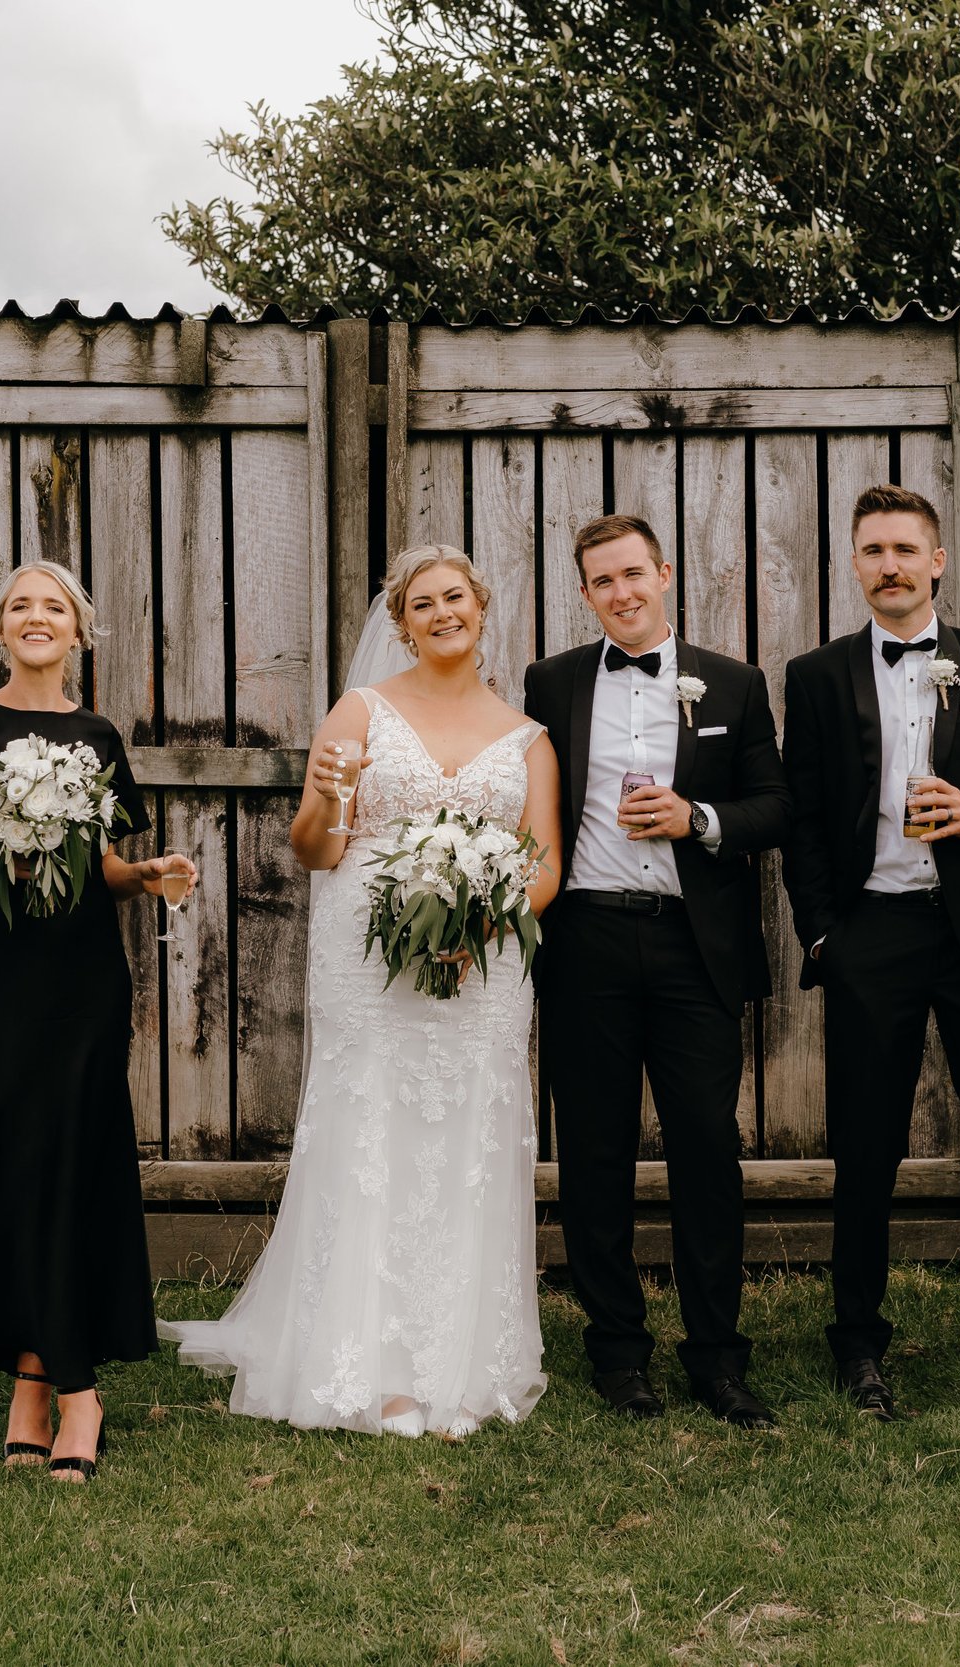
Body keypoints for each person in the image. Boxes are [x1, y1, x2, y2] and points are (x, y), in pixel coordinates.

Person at [161, 544, 564, 1437]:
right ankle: (373, 1364)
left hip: (485, 967)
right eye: (422, 604)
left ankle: (461, 1364)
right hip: (369, 963)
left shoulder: (529, 737)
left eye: (454, 596)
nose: (441, 613)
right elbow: (315, 849)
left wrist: (475, 927)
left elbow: (542, 868)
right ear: (402, 623)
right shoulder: (361, 712)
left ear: (481, 605)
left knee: (468, 1139)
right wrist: (331, 798)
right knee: (374, 1135)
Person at [780, 483, 960, 1421]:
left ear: (937, 561)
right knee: (865, 1151)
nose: (890, 566)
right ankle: (859, 1348)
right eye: (873, 551)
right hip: (874, 933)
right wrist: (825, 932)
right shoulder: (817, 675)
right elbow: (803, 821)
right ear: (856, 565)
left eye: (906, 550)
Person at [0, 562, 197, 1483]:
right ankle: (43, 1377)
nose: (39, 618)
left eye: (56, 606)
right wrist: (3, 866)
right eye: (21, 606)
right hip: (2, 976)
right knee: (14, 1157)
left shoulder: (97, 734)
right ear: (1, 628)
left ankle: (67, 1388)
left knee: (76, 1156)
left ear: (81, 629)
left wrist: (146, 875)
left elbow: (105, 861)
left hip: (83, 980)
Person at [520, 514, 791, 1428]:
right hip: (586, 940)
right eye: (602, 581)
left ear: (664, 573)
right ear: (585, 592)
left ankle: (718, 1357)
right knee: (595, 1153)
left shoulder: (735, 682)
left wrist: (698, 819)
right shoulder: (551, 682)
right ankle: (618, 1354)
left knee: (706, 1152)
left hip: (692, 945)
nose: (621, 593)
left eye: (633, 574)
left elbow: (776, 807)